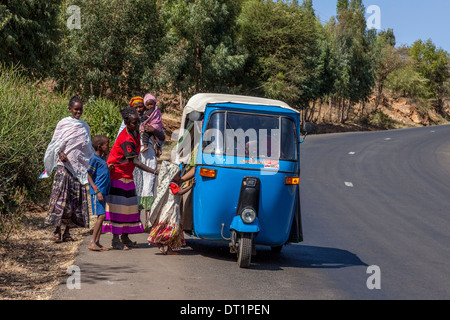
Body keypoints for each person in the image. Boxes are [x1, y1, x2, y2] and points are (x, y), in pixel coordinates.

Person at [105, 107, 158, 250]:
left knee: (129, 207)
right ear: (126, 122)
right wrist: (154, 171)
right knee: (118, 208)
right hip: (117, 174)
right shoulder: (126, 138)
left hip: (127, 175)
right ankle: (115, 240)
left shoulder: (135, 133)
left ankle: (125, 237)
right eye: (134, 122)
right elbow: (135, 161)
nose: (137, 124)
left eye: (138, 121)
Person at [43, 96, 94, 242]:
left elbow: (87, 147)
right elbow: (55, 143)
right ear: (70, 109)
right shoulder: (63, 123)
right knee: (60, 198)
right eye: (76, 109)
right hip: (64, 166)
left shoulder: (85, 126)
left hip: (78, 169)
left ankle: (67, 232)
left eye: (80, 110)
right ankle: (56, 230)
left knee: (73, 200)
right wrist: (60, 153)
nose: (78, 112)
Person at [147, 161, 194, 255]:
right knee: (172, 229)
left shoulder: (169, 184)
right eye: (178, 175)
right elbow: (180, 193)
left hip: (171, 210)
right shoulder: (172, 185)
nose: (180, 177)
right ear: (172, 175)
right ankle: (162, 243)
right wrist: (190, 186)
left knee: (167, 227)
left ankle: (166, 247)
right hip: (171, 211)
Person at [86, 135, 111, 251]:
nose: (108, 146)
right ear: (100, 147)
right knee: (101, 216)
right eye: (107, 144)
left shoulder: (101, 159)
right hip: (98, 193)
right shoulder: (94, 159)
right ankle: (92, 242)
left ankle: (97, 242)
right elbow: (89, 176)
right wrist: (96, 191)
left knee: (103, 216)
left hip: (103, 192)